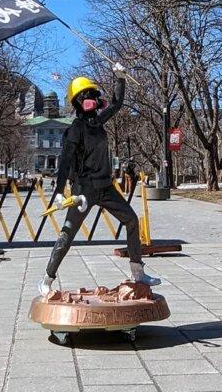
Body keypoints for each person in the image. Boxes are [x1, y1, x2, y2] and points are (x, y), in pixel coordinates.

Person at [38, 64, 161, 296]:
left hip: (105, 187)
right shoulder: (74, 130)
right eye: (89, 97)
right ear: (79, 103)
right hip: (83, 191)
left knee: (132, 221)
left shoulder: (97, 124)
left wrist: (120, 78)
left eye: (95, 96)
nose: (94, 101)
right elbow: (64, 161)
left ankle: (138, 272)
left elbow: (116, 104)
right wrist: (59, 191)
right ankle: (46, 279)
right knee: (68, 234)